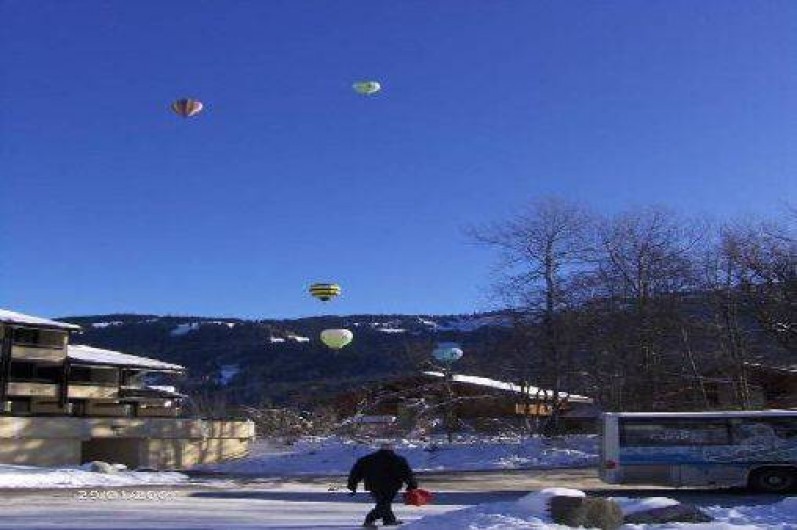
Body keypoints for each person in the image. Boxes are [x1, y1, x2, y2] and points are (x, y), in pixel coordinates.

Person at [347, 443, 418, 528]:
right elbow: (407, 474)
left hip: (373, 486)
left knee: (383, 502)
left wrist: (352, 484)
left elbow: (355, 472)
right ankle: (369, 520)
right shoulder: (399, 460)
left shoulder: (367, 459)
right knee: (384, 503)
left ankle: (389, 520)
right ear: (392, 449)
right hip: (392, 486)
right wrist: (412, 484)